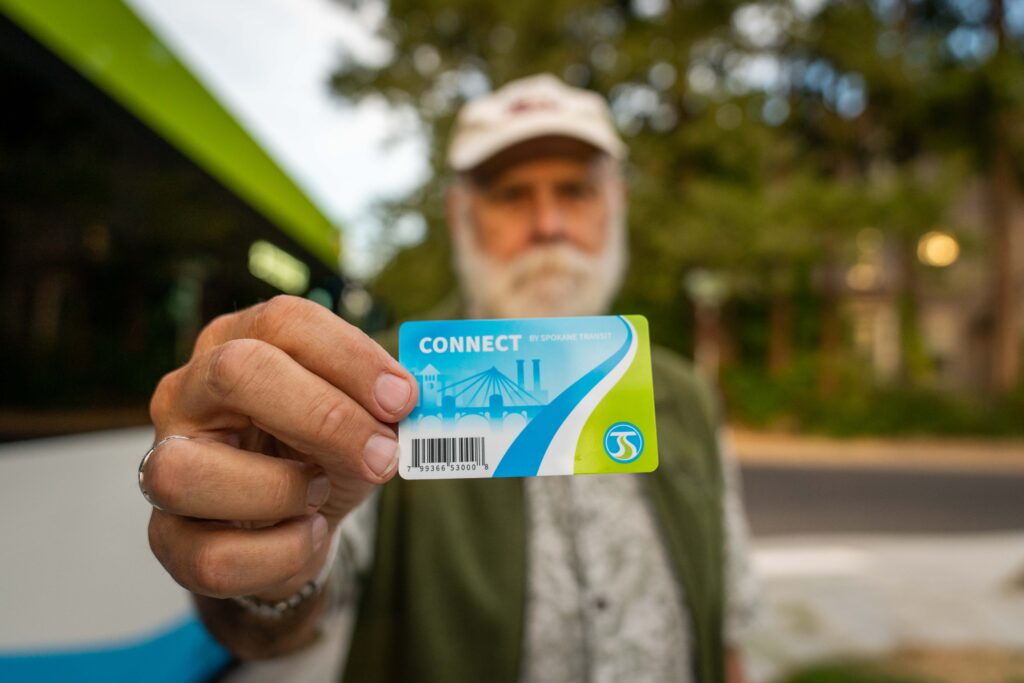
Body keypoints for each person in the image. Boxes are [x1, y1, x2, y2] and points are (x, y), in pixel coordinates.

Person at [142, 74, 757, 683]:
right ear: (461, 213)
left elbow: (723, 621)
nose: (548, 223)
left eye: (575, 191)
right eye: (513, 195)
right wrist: (269, 555)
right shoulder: (374, 378)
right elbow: (290, 611)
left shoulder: (684, 395)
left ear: (615, 203)